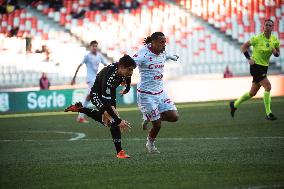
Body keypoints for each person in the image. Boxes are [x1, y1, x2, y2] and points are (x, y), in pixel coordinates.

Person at [65, 55, 136, 159]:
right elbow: (106, 104)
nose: (131, 72)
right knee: (113, 120)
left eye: (132, 70)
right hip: (97, 95)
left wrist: (127, 88)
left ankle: (80, 109)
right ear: (121, 67)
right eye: (129, 70)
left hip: (110, 94)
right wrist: (118, 120)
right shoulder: (109, 77)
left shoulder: (125, 70)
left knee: (107, 121)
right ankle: (120, 152)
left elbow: (128, 77)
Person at [133, 32, 179, 153]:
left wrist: (170, 56)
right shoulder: (143, 54)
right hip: (146, 95)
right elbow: (131, 63)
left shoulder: (162, 51)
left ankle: (149, 116)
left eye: (165, 42)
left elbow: (164, 54)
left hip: (160, 91)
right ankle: (150, 144)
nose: (164, 45)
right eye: (161, 42)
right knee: (157, 125)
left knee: (174, 117)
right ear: (153, 43)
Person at [230, 19, 280, 120]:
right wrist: (249, 58)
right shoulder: (257, 38)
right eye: (266, 25)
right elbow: (243, 47)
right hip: (255, 66)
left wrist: (275, 52)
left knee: (252, 93)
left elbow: (277, 54)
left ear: (272, 28)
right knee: (268, 86)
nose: (267, 27)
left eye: (270, 25)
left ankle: (234, 104)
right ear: (263, 27)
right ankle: (268, 113)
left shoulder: (275, 40)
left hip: (264, 67)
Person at [71, 40, 108, 123]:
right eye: (93, 46)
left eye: (96, 46)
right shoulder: (87, 56)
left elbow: (106, 65)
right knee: (97, 95)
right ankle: (104, 114)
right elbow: (79, 66)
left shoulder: (99, 55)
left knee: (88, 97)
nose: (95, 48)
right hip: (90, 79)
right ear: (90, 47)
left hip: (96, 79)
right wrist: (74, 78)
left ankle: (81, 116)